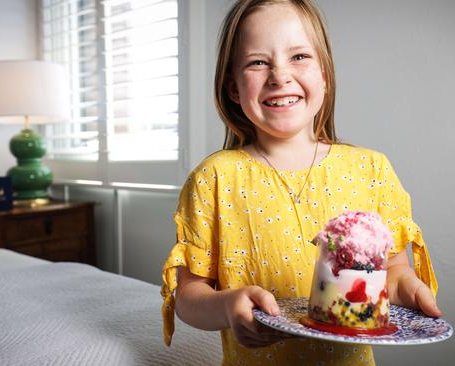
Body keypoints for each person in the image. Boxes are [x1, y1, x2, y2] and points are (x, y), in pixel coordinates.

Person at [161, 0, 440, 364]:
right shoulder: (213, 179)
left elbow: (393, 271)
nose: (279, 76)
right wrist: (227, 306)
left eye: (299, 57)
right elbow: (188, 296)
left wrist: (407, 287)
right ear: (232, 87)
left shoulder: (371, 170)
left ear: (324, 73)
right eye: (258, 62)